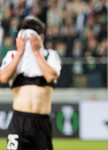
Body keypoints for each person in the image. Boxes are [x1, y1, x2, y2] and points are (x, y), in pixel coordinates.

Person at [0, 17, 61, 150]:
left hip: (41, 124)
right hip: (19, 122)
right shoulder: (12, 56)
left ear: (41, 39)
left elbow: (50, 76)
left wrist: (36, 52)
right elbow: (3, 78)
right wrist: (20, 53)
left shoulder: (50, 56)